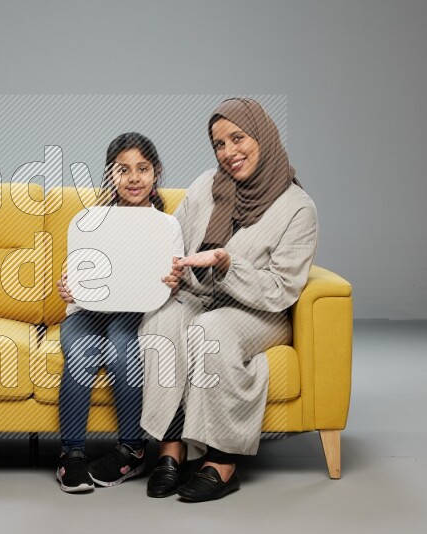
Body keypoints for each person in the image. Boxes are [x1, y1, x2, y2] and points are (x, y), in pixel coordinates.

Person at [140, 98, 318, 502]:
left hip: (257, 311)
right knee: (161, 321)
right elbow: (175, 243)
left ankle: (222, 461)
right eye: (219, 144)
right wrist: (169, 271)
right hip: (199, 295)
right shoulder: (207, 184)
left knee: (210, 330)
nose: (229, 152)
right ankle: (171, 447)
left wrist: (226, 265)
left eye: (238, 138)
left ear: (263, 137)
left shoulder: (297, 208)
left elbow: (282, 289)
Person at [55, 132, 184, 493]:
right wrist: (69, 288)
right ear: (111, 175)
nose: (133, 178)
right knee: (80, 353)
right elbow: (79, 273)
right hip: (87, 311)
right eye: (123, 169)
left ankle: (132, 449)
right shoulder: (93, 220)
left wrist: (174, 280)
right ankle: (72, 456)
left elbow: (170, 281)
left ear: (156, 173)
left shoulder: (167, 225)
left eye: (142, 169)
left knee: (124, 347)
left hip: (134, 310)